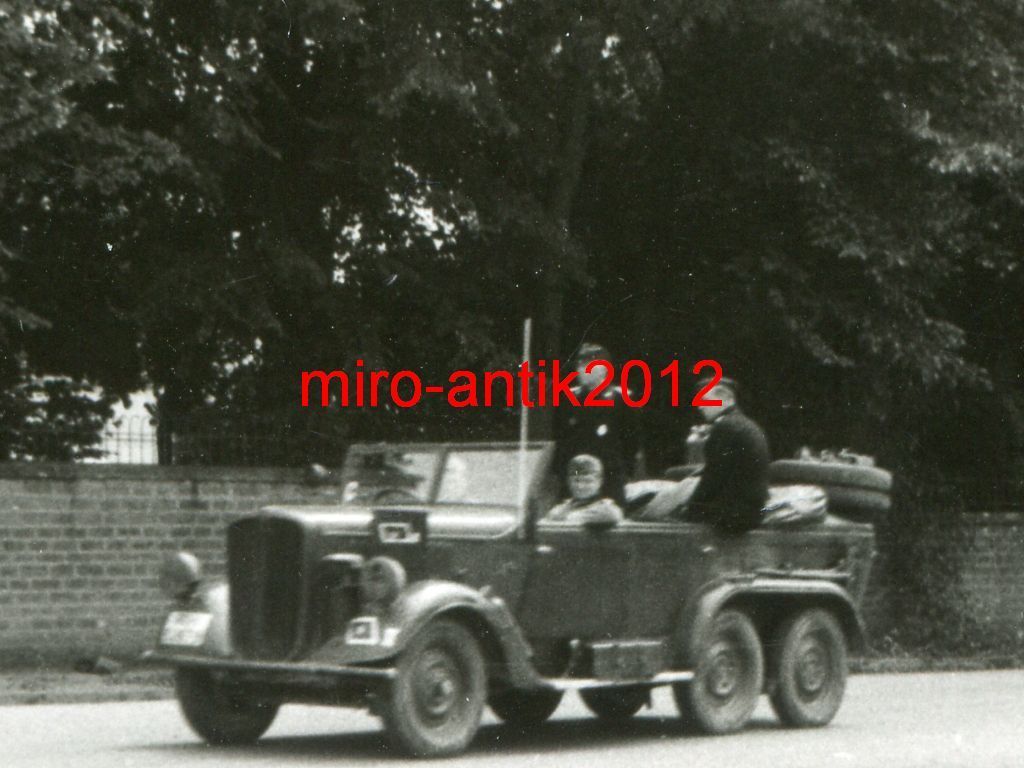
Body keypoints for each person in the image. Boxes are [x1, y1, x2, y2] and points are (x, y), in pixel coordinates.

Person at [675, 376, 770, 533]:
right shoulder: (745, 424)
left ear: (726, 399)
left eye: (705, 400)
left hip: (734, 515)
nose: (699, 406)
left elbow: (713, 478)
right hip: (751, 511)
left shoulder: (725, 427)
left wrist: (690, 508)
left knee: (670, 516)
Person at [552, 343, 642, 507]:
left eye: (588, 366)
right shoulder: (570, 397)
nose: (581, 370)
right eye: (580, 365)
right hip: (576, 476)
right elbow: (562, 438)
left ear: (603, 369)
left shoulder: (621, 398)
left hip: (609, 475)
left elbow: (631, 441)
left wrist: (626, 474)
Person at [544, 454, 624, 526]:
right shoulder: (560, 509)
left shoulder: (608, 509)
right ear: (568, 481)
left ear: (599, 482)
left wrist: (571, 517)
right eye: (576, 480)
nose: (580, 486)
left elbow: (613, 515)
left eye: (587, 481)